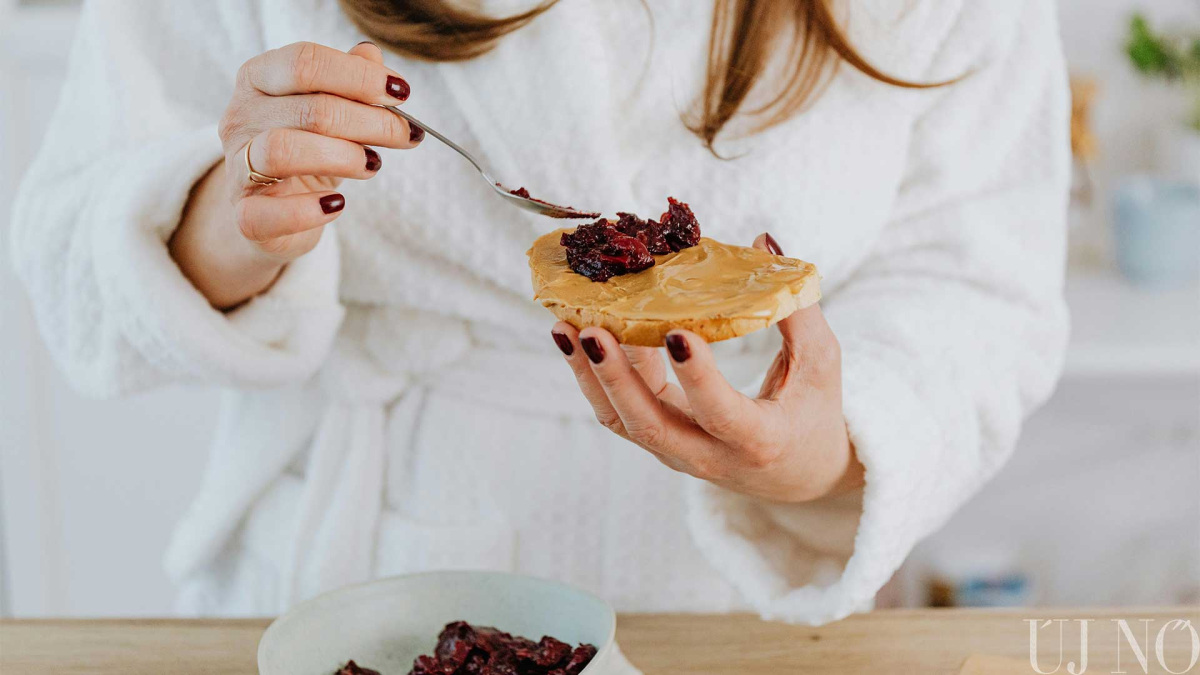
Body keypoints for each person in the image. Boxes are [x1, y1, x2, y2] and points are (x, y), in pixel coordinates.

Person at [11, 0, 1070, 623]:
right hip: (365, 567)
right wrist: (232, 219)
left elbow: (977, 282)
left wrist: (820, 456)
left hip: (737, 606)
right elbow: (71, 264)